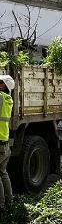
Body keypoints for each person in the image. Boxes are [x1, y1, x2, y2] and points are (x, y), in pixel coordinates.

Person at [0, 75, 14, 212]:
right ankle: (9, 201)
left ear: (4, 85)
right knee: (3, 173)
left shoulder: (1, 97)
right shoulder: (8, 99)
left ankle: (1, 205)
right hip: (4, 142)